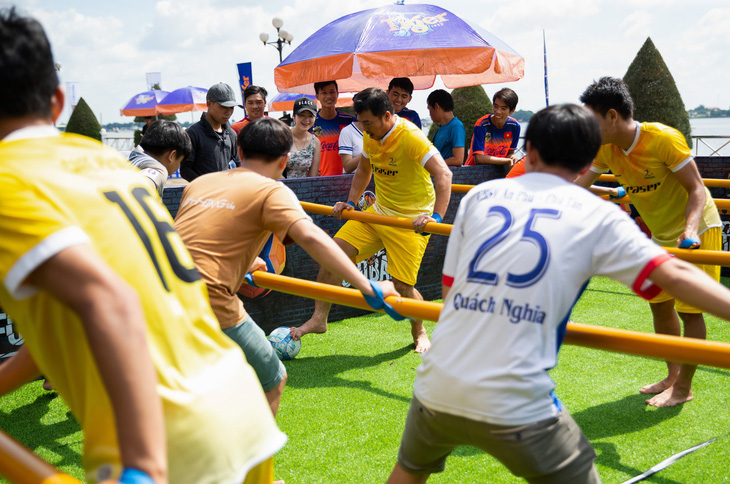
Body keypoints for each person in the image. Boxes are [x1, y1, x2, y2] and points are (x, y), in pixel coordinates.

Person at [0, 8, 286, 484]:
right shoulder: (104, 165)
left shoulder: (11, 182)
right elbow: (76, 316)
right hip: (235, 407)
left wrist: (142, 462)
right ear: (55, 102)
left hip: (166, 441)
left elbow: (106, 301)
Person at [387, 103, 730, 484]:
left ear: (528, 150)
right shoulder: (596, 216)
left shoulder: (480, 199)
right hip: (514, 399)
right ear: (588, 162)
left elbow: (452, 295)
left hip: (435, 385)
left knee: (409, 472)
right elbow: (675, 276)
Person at [174, 117, 400, 415]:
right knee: (274, 378)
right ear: (285, 161)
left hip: (157, 292)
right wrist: (366, 285)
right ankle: (249, 460)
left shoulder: (200, 183)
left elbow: (193, 241)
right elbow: (311, 237)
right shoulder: (272, 191)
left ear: (239, 151)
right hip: (209, 299)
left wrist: (242, 261)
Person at [575, 76, 723, 407]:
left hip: (697, 231)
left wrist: (689, 229)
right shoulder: (605, 149)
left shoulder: (662, 139)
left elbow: (697, 188)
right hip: (659, 237)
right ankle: (672, 377)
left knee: (691, 313)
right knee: (659, 305)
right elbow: (579, 184)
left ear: (612, 116)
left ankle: (684, 388)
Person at [291, 88, 453, 353]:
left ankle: (419, 330)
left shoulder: (410, 136)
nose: (363, 128)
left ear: (386, 116)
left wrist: (434, 217)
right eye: (360, 121)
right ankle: (319, 319)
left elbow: (444, 175)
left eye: (367, 122)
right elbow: (364, 170)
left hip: (410, 219)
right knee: (332, 254)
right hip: (377, 212)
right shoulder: (369, 134)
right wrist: (352, 203)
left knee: (402, 286)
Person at [180, 82, 238, 182]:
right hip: (204, 195)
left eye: (231, 107)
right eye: (223, 106)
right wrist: (206, 186)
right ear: (209, 104)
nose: (228, 112)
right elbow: (185, 169)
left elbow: (237, 164)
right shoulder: (193, 133)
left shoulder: (231, 134)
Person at [128, 120, 192, 196]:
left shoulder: (128, 156)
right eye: (180, 161)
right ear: (172, 155)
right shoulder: (158, 171)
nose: (178, 166)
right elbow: (140, 190)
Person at [465, 88, 521, 172]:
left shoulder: (515, 126)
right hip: (474, 173)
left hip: (498, 173)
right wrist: (507, 160)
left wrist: (512, 157)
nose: (498, 111)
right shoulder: (482, 125)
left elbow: (510, 152)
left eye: (503, 108)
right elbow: (478, 158)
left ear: (512, 111)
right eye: (496, 106)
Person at [313, 80, 355, 176]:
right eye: (324, 93)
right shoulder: (311, 124)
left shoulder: (349, 121)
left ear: (337, 94)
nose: (329, 96)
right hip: (321, 182)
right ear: (317, 96)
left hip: (347, 180)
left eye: (332, 92)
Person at [426, 89, 465, 166]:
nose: (429, 114)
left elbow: (458, 160)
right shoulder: (440, 129)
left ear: (437, 106)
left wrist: (433, 165)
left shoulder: (456, 126)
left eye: (430, 109)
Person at [286, 97, 320, 178]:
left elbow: (312, 176)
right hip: (281, 187)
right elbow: (273, 169)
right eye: (302, 115)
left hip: (305, 188)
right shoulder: (282, 136)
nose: (306, 120)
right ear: (294, 116)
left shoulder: (315, 142)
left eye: (311, 116)